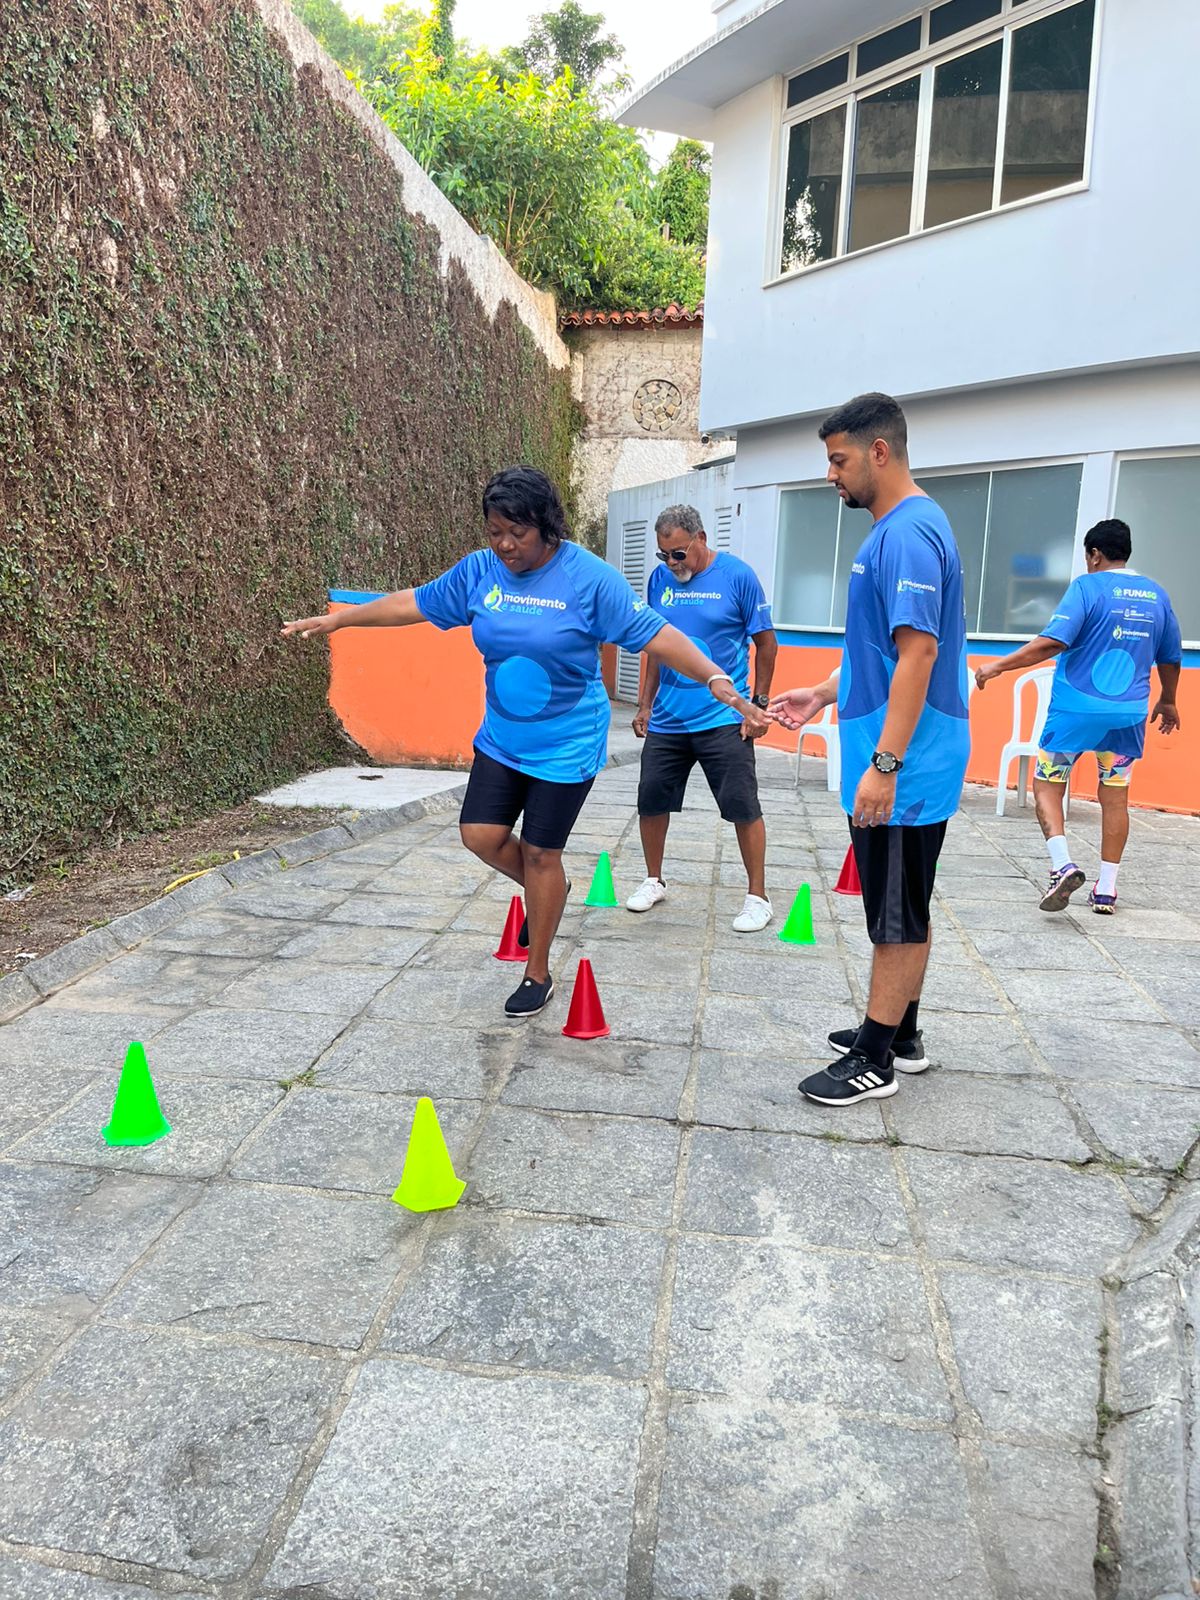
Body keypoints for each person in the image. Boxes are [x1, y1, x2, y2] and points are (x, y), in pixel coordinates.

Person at [282, 465, 769, 1017]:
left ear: (547, 526)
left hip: (566, 743)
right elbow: (410, 603)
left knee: (541, 853)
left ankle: (537, 972)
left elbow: (659, 635)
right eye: (495, 532)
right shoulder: (480, 571)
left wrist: (717, 679)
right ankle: (551, 890)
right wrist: (342, 621)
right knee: (480, 835)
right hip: (502, 737)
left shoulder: (589, 578)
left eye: (518, 532)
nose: (506, 544)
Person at [770, 393, 970, 1107]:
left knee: (895, 915)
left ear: (878, 452)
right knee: (904, 901)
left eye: (838, 459)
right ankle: (900, 1034)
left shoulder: (908, 534)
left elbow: (918, 655)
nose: (831, 474)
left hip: (906, 765)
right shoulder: (902, 528)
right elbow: (882, 652)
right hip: (899, 754)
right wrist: (824, 693)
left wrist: (885, 767)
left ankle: (874, 1060)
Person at [974, 519, 1182, 914]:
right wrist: (1169, 701)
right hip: (1128, 715)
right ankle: (1106, 889)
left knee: (1047, 785)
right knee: (1115, 795)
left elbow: (1052, 643)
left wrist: (997, 666)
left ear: (1095, 554)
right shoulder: (1157, 594)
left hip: (1075, 711)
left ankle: (1062, 865)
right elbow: (1171, 657)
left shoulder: (1087, 588)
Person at [627, 504, 778, 932]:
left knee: (742, 806)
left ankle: (758, 897)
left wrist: (758, 705)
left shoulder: (738, 576)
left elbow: (767, 644)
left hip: (723, 717)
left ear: (701, 539)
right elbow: (655, 645)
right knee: (651, 799)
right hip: (669, 719)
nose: (672, 563)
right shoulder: (659, 580)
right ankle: (653, 880)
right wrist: (645, 704)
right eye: (664, 555)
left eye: (679, 553)